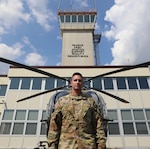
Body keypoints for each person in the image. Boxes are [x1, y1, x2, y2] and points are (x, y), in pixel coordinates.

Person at [47, 72, 107, 149]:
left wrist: (101, 145)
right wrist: (52, 146)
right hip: (66, 145)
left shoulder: (90, 102)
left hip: (87, 145)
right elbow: (54, 127)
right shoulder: (62, 102)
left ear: (82, 83)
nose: (77, 82)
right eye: (75, 80)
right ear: (71, 83)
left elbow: (98, 127)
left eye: (80, 80)